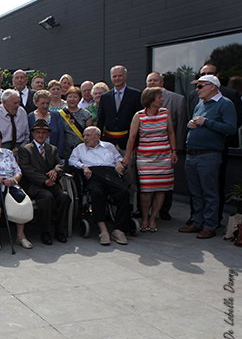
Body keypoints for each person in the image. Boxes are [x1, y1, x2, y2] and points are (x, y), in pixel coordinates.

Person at [179, 75, 237, 239]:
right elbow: (197, 123)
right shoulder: (200, 104)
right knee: (196, 192)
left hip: (208, 155)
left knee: (209, 192)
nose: (197, 90)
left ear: (212, 86)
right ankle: (198, 222)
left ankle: (210, 225)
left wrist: (206, 122)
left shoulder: (225, 104)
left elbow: (231, 129)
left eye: (200, 86)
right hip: (192, 155)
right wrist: (190, 125)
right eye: (197, 86)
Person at [122, 87, 177, 233]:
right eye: (159, 97)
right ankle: (145, 218)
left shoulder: (166, 113)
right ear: (151, 99)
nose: (162, 100)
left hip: (164, 157)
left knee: (161, 189)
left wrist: (174, 151)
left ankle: (153, 218)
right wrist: (127, 156)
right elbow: (132, 137)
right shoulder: (139, 116)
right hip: (145, 158)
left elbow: (171, 132)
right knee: (146, 190)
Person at [68, 127, 130, 246]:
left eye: (88, 135)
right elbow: (72, 161)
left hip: (110, 173)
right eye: (84, 135)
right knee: (96, 193)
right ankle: (103, 230)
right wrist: (83, 167)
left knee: (124, 192)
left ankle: (119, 230)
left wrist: (118, 163)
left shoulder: (109, 146)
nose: (85, 138)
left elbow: (119, 158)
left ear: (97, 136)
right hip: (92, 173)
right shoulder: (80, 148)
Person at [17, 120, 71, 245]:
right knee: (47, 197)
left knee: (64, 197)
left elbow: (60, 163)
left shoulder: (52, 149)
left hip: (52, 183)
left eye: (43, 133)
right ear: (33, 134)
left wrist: (55, 171)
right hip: (35, 185)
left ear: (48, 135)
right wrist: (44, 180)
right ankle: (45, 232)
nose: (41, 135)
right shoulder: (25, 150)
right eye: (38, 132)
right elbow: (27, 170)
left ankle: (60, 231)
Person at [145, 72, 188, 221]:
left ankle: (164, 209)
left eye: (155, 80)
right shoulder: (142, 99)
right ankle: (145, 210)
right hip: (146, 150)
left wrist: (177, 149)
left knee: (165, 181)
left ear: (162, 83)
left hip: (167, 149)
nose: (152, 83)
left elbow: (181, 126)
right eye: (150, 81)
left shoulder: (177, 99)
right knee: (146, 181)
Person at [96, 65, 142, 150]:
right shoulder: (104, 97)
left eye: (120, 75)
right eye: (114, 76)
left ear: (125, 76)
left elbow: (139, 120)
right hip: (108, 142)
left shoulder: (135, 95)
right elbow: (100, 120)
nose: (117, 78)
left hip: (127, 142)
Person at [27, 90, 65, 158]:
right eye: (42, 103)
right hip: (35, 157)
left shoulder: (56, 115)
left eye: (47, 103)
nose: (45, 106)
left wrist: (58, 155)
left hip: (54, 155)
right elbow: (28, 136)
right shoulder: (30, 117)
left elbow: (61, 136)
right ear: (36, 103)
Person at [59, 86, 93, 158]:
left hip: (82, 149)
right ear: (66, 98)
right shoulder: (60, 114)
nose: (72, 99)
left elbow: (90, 134)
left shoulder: (86, 114)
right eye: (70, 96)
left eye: (75, 97)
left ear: (79, 98)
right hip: (65, 149)